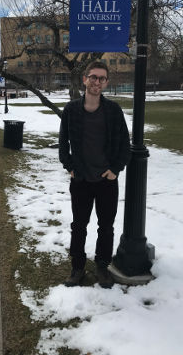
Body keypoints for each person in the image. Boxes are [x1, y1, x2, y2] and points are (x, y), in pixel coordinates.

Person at [59, 61, 131, 288]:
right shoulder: (71, 110)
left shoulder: (113, 110)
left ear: (106, 82)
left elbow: (124, 145)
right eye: (93, 77)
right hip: (80, 180)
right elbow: (63, 145)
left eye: (101, 78)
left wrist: (115, 170)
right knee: (79, 226)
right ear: (85, 79)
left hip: (106, 181)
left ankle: (102, 266)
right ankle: (77, 268)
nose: (97, 82)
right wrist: (69, 166)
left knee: (106, 227)